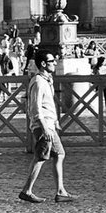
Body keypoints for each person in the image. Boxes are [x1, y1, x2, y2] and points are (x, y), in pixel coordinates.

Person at [18, 46, 76, 204]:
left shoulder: (46, 80)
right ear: (43, 64)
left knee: (58, 154)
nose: (55, 63)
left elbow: (48, 104)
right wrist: (44, 126)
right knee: (41, 157)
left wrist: (55, 121)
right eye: (51, 61)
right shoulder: (37, 82)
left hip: (49, 124)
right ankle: (27, 190)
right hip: (43, 125)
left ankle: (60, 191)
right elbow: (35, 106)